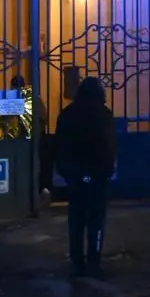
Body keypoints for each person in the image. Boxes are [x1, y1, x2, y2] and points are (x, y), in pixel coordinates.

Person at [55, 77, 118, 277]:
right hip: (97, 178)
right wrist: (106, 172)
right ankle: (94, 262)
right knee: (96, 222)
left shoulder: (67, 114)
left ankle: (77, 263)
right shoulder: (103, 114)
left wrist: (67, 172)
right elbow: (109, 146)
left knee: (76, 222)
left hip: (76, 177)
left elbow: (59, 147)